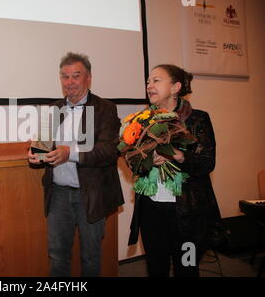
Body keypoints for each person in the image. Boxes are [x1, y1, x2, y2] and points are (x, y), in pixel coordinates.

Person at [28, 52, 124, 277]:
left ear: (88, 78)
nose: (69, 82)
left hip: (90, 194)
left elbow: (108, 152)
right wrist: (34, 153)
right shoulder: (53, 108)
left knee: (90, 256)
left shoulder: (105, 109)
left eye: (75, 76)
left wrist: (69, 152)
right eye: (64, 76)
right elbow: (42, 146)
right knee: (57, 255)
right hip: (58, 195)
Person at [128, 64, 222, 277]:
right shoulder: (141, 121)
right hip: (151, 209)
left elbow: (207, 162)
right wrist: (144, 158)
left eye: (156, 80)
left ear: (175, 87)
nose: (149, 86)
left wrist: (179, 156)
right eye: (148, 82)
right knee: (156, 267)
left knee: (186, 267)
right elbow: (131, 161)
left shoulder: (198, 119)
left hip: (186, 211)